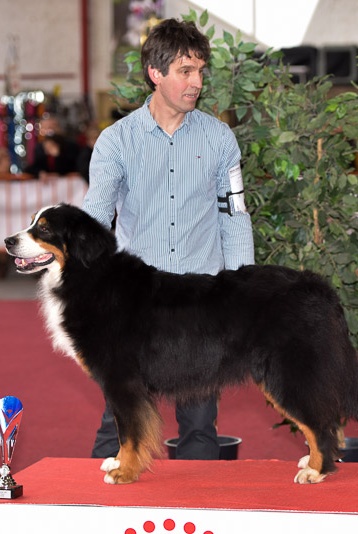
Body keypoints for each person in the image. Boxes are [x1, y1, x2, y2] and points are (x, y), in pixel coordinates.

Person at [82, 18, 255, 460]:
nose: (196, 82)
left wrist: (242, 289)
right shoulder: (116, 142)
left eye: (200, 71)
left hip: (201, 299)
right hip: (137, 304)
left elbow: (234, 214)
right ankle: (97, 510)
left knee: (200, 424)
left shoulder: (220, 138)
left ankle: (199, 511)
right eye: (185, 71)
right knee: (120, 415)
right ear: (155, 74)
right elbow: (96, 220)